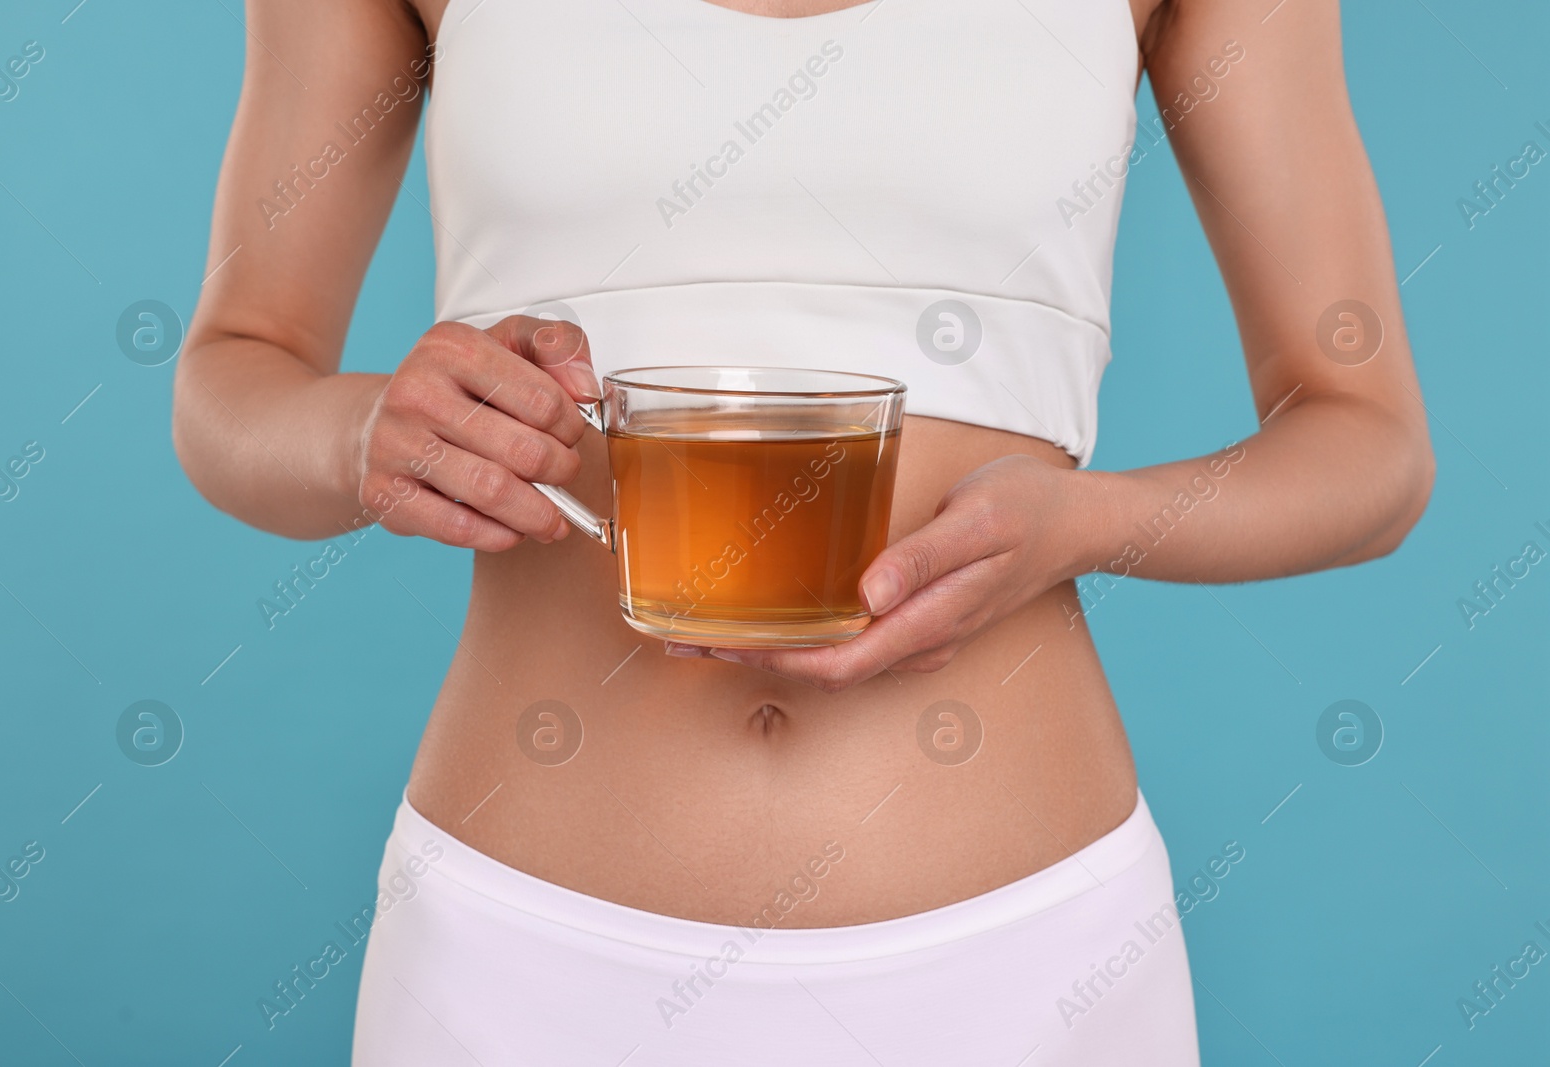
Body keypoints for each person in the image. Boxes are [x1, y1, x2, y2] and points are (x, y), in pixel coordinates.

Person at [172, 0, 1434, 1061]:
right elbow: (234, 377)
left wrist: (1086, 522)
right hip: (520, 952)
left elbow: (1368, 447)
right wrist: (362, 435)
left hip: (1021, 963)